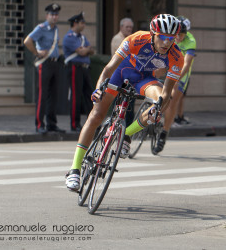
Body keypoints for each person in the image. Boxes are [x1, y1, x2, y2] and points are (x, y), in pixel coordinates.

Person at [66, 14, 184, 191]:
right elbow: (108, 69)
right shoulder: (135, 39)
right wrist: (98, 89)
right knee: (97, 115)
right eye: (162, 37)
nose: (167, 42)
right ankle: (74, 169)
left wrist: (158, 107)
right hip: (122, 73)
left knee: (159, 102)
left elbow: (167, 92)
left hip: (144, 79)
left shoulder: (176, 56)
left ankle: (126, 134)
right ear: (153, 33)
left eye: (171, 38)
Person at [152, 16, 196, 154]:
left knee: (172, 100)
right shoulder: (170, 38)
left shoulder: (191, 41)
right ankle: (154, 113)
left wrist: (176, 79)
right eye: (177, 35)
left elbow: (187, 64)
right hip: (169, 64)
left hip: (182, 73)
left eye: (182, 36)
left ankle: (164, 133)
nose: (179, 38)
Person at [24, 3, 65, 134]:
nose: (54, 17)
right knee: (42, 95)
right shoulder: (41, 28)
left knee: (54, 95)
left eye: (56, 14)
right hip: (44, 64)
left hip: (55, 63)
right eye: (52, 14)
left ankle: (51, 124)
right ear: (47, 15)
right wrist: (36, 53)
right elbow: (27, 41)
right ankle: (39, 124)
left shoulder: (56, 29)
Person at [63, 12, 95, 132]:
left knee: (89, 95)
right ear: (75, 23)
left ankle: (91, 122)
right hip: (75, 67)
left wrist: (86, 50)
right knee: (76, 96)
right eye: (82, 22)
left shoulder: (82, 38)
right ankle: (74, 124)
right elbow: (81, 52)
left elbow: (91, 50)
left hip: (85, 67)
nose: (84, 24)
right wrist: (86, 50)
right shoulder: (69, 37)